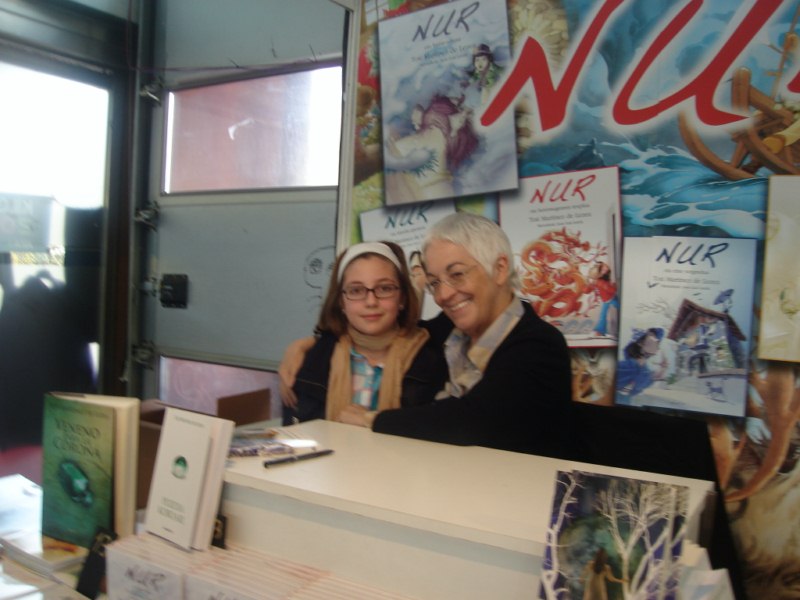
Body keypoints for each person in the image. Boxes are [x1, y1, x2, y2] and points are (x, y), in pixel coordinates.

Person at [281, 213, 576, 459]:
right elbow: (392, 331)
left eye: (457, 274)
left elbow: (472, 421)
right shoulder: (450, 330)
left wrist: (373, 418)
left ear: (499, 269)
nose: (444, 294)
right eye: (434, 282)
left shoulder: (539, 345)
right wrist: (308, 344)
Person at [281, 241, 447, 425]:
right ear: (341, 302)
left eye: (384, 288)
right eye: (356, 290)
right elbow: (295, 433)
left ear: (402, 298)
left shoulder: (434, 361)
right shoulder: (311, 361)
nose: (371, 301)